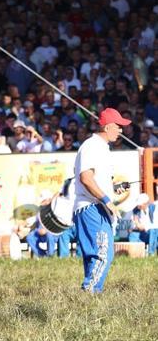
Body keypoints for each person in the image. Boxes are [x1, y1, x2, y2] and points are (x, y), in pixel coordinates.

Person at [73, 108, 131, 293]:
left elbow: (93, 180)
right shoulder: (93, 146)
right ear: (108, 127)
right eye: (118, 126)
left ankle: (88, 297)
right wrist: (107, 200)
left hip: (92, 206)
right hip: (93, 207)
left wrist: (113, 190)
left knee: (94, 254)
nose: (121, 131)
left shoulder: (99, 147)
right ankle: (90, 291)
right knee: (103, 253)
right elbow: (86, 178)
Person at [57, 177, 81, 258]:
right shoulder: (68, 182)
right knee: (62, 234)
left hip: (81, 222)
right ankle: (63, 259)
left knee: (83, 237)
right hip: (67, 222)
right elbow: (59, 196)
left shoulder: (88, 182)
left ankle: (80, 259)